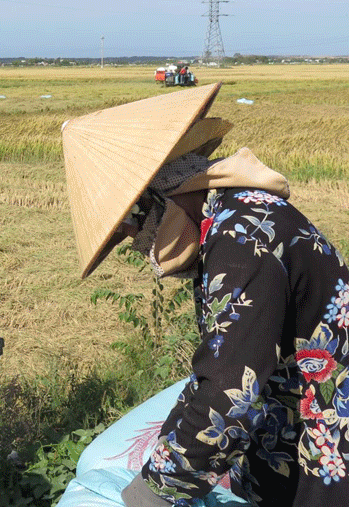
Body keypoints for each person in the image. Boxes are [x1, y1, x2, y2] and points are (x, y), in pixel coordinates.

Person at [61, 82, 349, 507]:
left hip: (325, 448)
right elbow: (224, 361)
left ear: (165, 192)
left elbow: (230, 388)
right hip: (288, 436)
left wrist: (155, 491)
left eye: (132, 219)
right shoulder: (232, 218)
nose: (131, 236)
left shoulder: (243, 237)